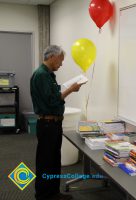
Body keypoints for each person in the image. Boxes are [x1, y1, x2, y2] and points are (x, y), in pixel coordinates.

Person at [30, 45, 84, 200]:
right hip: (48, 124)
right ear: (52, 56)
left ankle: (53, 193)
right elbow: (53, 100)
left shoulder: (48, 75)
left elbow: (53, 93)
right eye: (60, 60)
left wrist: (66, 89)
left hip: (53, 124)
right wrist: (70, 90)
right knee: (46, 161)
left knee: (53, 160)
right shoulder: (41, 75)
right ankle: (44, 195)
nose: (61, 64)